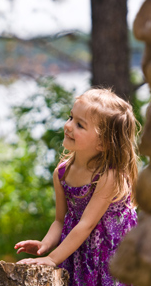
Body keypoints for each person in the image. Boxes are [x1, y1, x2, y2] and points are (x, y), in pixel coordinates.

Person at [14, 88, 139, 286]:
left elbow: (86, 224)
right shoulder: (62, 174)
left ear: (103, 143)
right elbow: (59, 220)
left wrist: (53, 259)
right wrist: (45, 246)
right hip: (79, 252)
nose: (68, 126)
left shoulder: (109, 176)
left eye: (80, 125)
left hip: (112, 255)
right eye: (71, 118)